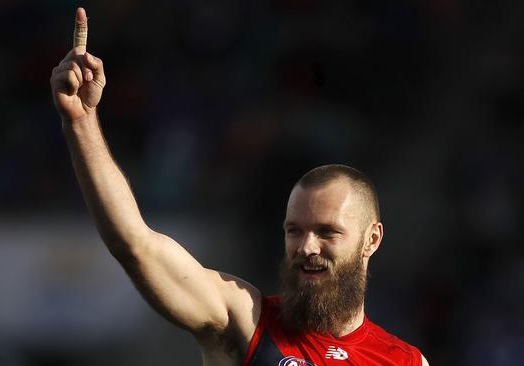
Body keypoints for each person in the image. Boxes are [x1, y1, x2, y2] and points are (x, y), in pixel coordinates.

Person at [50, 7, 430, 366]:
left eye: (327, 232)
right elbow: (135, 245)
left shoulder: (405, 361)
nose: (306, 247)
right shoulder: (244, 319)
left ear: (372, 239)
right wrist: (81, 124)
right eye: (294, 230)